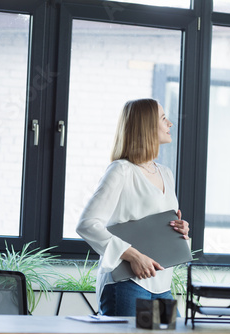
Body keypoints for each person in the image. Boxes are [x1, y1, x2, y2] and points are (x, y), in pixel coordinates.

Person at [76, 98, 189, 316]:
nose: (170, 124)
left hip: (161, 284)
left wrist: (180, 228)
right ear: (146, 126)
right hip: (127, 283)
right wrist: (133, 255)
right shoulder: (121, 170)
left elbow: (154, 220)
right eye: (164, 118)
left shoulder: (166, 173)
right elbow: (87, 224)